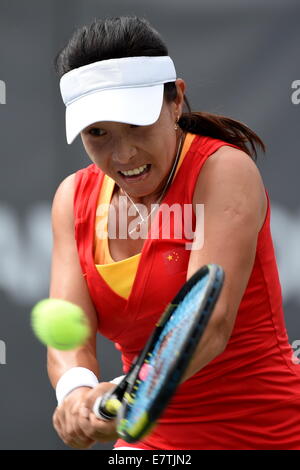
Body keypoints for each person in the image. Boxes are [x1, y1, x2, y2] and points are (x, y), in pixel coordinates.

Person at [48, 16, 300, 450]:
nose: (123, 154)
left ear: (175, 100)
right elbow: (69, 328)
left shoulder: (224, 170)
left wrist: (126, 396)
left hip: (267, 432)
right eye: (98, 133)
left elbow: (211, 324)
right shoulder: (72, 198)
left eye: (137, 124)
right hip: (148, 440)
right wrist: (75, 391)